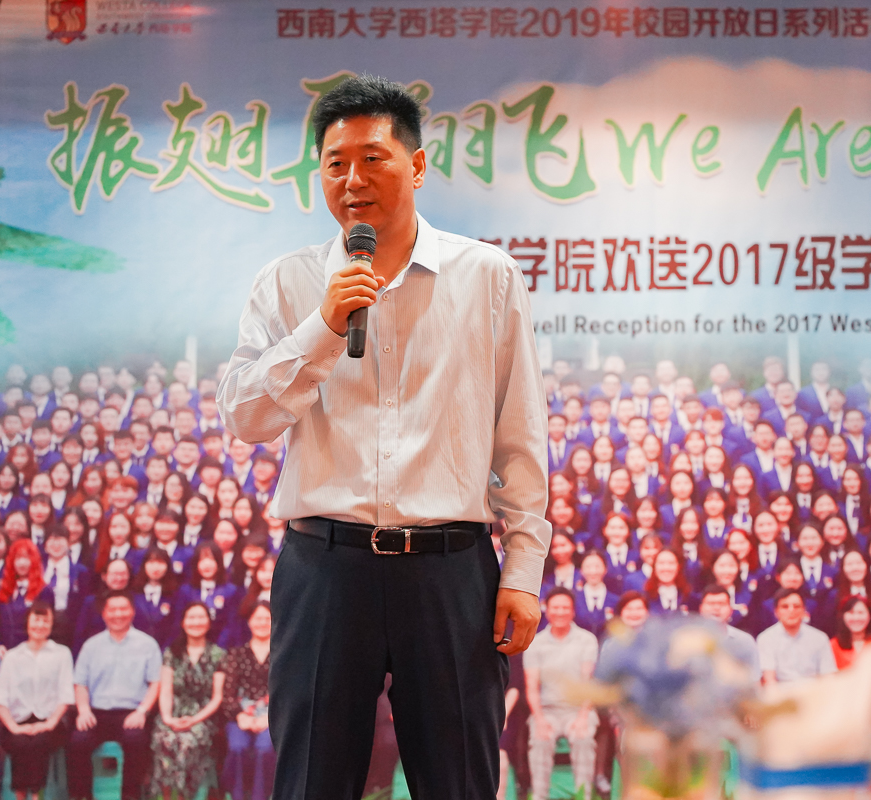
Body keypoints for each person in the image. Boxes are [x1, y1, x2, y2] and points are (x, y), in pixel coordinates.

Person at [216, 75, 548, 799]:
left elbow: (518, 435)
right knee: (311, 781)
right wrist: (323, 328)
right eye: (335, 164)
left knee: (459, 781)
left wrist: (523, 570)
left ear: (417, 165)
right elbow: (244, 417)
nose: (352, 180)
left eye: (372, 159)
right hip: (325, 569)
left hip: (449, 572)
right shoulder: (288, 283)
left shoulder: (486, 275)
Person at [69, 590, 163, 800]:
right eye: (112, 609)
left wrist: (142, 711)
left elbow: (155, 683)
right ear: (104, 613)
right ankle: (82, 796)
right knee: (78, 741)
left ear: (132, 612)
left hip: (132, 713)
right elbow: (80, 683)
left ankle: (130, 796)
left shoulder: (148, 645)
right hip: (97, 712)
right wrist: (83, 711)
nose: (118, 614)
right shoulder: (91, 646)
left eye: (123, 609)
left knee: (135, 740)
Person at [0, 600, 74, 800]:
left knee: (38, 742)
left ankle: (35, 796)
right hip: (16, 721)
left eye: (46, 621)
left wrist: (49, 723)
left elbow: (66, 695)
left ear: (52, 625)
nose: (40, 625)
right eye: (36, 620)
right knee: (20, 742)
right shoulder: (13, 656)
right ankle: (20, 795)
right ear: (27, 623)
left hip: (52, 722)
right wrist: (13, 727)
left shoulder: (62, 654)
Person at [523, 588, 599, 800]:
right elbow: (531, 687)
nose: (560, 612)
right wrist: (539, 719)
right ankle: (539, 796)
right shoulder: (535, 642)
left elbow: (589, 683)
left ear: (573, 611)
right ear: (546, 610)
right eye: (555, 607)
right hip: (547, 710)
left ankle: (584, 796)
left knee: (583, 738)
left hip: (579, 709)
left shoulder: (586, 640)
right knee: (540, 739)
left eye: (566, 608)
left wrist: (582, 718)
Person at [149, 602, 227, 800]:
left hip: (203, 717)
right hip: (173, 713)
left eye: (201, 617)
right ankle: (166, 795)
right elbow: (166, 691)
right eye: (191, 617)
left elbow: (217, 697)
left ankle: (184, 796)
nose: (196, 622)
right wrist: (168, 719)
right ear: (183, 622)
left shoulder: (218, 654)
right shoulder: (172, 653)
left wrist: (193, 720)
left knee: (186, 742)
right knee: (165, 739)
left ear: (209, 622)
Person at [221, 601, 275, 800]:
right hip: (241, 716)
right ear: (249, 622)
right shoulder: (236, 654)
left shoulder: (282, 655)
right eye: (258, 618)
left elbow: (288, 694)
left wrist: (268, 718)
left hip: (272, 718)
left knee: (264, 748)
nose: (262, 623)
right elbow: (228, 694)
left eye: (267, 618)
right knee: (237, 747)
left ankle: (261, 797)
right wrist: (240, 716)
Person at [756, 587, 837, 685]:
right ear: (776, 612)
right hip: (781, 693)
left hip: (814, 691)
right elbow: (769, 680)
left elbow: (828, 675)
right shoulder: (766, 639)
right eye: (785, 607)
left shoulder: (820, 638)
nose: (791, 610)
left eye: (796, 606)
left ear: (804, 610)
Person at [698, 584, 760, 674]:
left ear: (731, 610)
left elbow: (754, 677)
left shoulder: (745, 640)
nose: (716, 608)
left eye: (722, 604)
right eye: (711, 603)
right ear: (701, 609)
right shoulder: (688, 639)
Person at [830, 593, 871, 670]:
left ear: (869, 616)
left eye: (860, 613)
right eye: (851, 612)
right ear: (843, 616)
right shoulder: (833, 646)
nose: (856, 618)